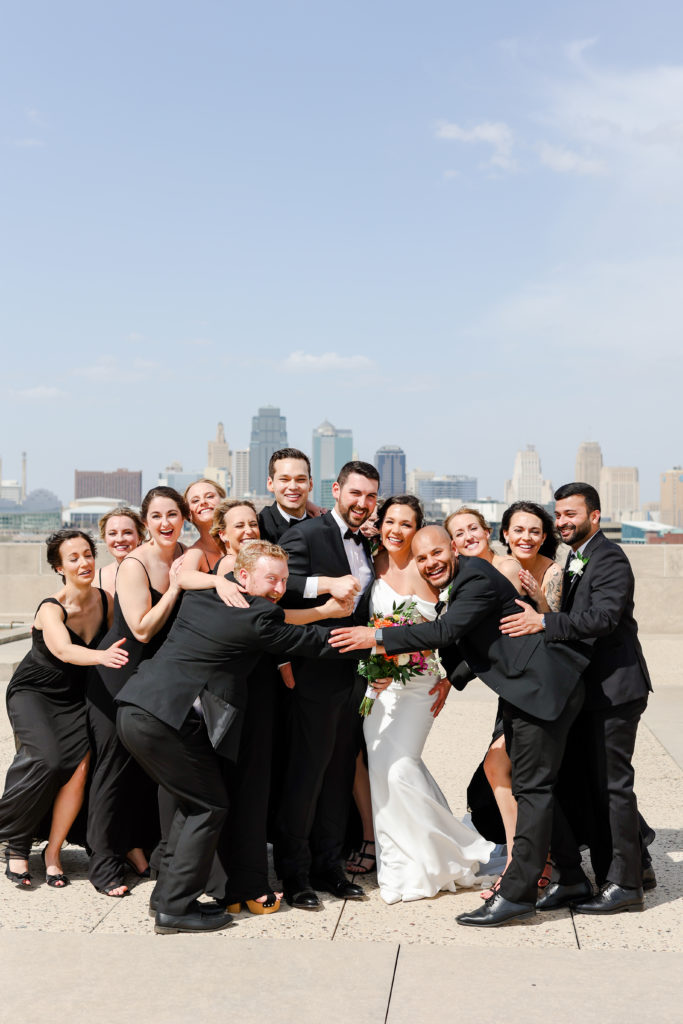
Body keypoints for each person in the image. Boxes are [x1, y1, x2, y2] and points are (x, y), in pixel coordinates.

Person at [330, 525, 592, 927]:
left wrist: (375, 636)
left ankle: (517, 893)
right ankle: (571, 877)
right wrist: (449, 677)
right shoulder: (462, 579)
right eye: (422, 559)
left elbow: (446, 632)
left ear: (453, 548)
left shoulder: (474, 576)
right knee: (526, 782)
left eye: (437, 553)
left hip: (542, 687)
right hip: (524, 688)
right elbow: (470, 640)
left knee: (531, 788)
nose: (431, 563)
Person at [115, 541, 358, 934]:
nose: (279, 587)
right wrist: (378, 642)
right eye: (271, 578)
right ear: (243, 577)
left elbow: (203, 582)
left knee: (190, 805)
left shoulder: (205, 595)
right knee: (208, 806)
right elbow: (313, 643)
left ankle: (167, 898)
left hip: (138, 708)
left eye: (283, 579)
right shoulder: (257, 614)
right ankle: (175, 909)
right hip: (165, 720)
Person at [500, 482, 653, 914]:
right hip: (587, 691)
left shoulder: (610, 557)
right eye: (560, 514)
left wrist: (542, 624)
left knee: (613, 788)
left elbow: (603, 617)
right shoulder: (574, 558)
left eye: (572, 514)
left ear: (595, 516)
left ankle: (626, 885)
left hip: (615, 690)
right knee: (590, 786)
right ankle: (610, 874)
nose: (564, 521)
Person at [360, 496, 495, 903]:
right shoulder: (371, 563)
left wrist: (452, 679)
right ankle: (405, 863)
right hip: (379, 688)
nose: (395, 531)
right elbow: (360, 627)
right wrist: (371, 671)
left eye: (406, 524)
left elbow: (462, 629)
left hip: (419, 686)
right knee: (382, 773)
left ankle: (459, 849)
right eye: (390, 522)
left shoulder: (433, 572)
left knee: (400, 768)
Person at [276, 461, 379, 909]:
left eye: (370, 496)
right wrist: (326, 584)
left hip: (354, 676)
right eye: (355, 493)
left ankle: (329, 868)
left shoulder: (368, 542)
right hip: (314, 672)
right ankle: (295, 875)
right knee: (307, 775)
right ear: (337, 490)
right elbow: (276, 586)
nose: (362, 503)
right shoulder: (307, 534)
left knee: (339, 773)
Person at [0, 530, 127, 889]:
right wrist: (101, 656)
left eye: (88, 554)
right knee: (47, 759)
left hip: (73, 695)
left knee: (80, 767)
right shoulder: (50, 608)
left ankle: (52, 853)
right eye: (73, 558)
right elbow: (64, 651)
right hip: (34, 692)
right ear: (59, 567)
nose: (84, 562)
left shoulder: (106, 599)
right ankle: (16, 842)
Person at [87, 486, 187, 896]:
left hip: (158, 680)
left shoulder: (187, 556)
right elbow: (143, 627)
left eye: (173, 514)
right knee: (113, 770)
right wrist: (178, 588)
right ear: (147, 522)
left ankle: (140, 848)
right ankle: (102, 862)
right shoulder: (133, 566)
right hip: (119, 673)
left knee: (151, 773)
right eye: (157, 516)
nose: (165, 523)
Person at [96, 507, 146, 601]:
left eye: (127, 532)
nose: (120, 539)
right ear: (105, 538)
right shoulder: (96, 578)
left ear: (139, 538)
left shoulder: (154, 572)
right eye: (112, 534)